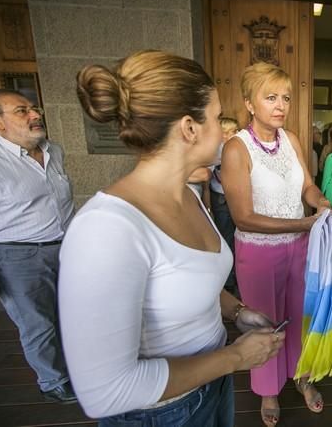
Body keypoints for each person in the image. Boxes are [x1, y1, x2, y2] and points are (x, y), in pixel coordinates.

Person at [59, 50, 284, 425]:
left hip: (212, 387)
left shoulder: (189, 196)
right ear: (189, 128)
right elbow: (105, 392)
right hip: (160, 414)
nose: (224, 129)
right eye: (215, 118)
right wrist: (236, 358)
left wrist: (237, 312)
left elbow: (188, 278)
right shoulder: (106, 230)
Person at [221, 61, 331, 426]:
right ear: (250, 103)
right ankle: (268, 389)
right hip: (258, 253)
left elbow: (307, 186)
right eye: (270, 97)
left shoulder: (292, 139)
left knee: (299, 315)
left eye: (285, 97)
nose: (281, 104)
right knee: (267, 324)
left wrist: (320, 201)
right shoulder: (237, 148)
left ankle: (302, 375)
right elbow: (243, 217)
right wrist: (303, 222)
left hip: (299, 248)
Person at [0, 89, 76, 404]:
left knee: (69, 314)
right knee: (37, 323)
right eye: (21, 111)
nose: (35, 115)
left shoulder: (53, 150)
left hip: (66, 248)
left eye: (33, 108)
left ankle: (75, 368)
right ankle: (53, 382)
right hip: (18, 256)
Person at [210, 116, 240, 296]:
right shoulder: (223, 150)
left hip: (222, 197)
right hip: (223, 198)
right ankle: (229, 283)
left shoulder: (220, 149)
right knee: (229, 239)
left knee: (228, 238)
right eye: (234, 131)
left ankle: (230, 281)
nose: (237, 133)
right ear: (226, 133)